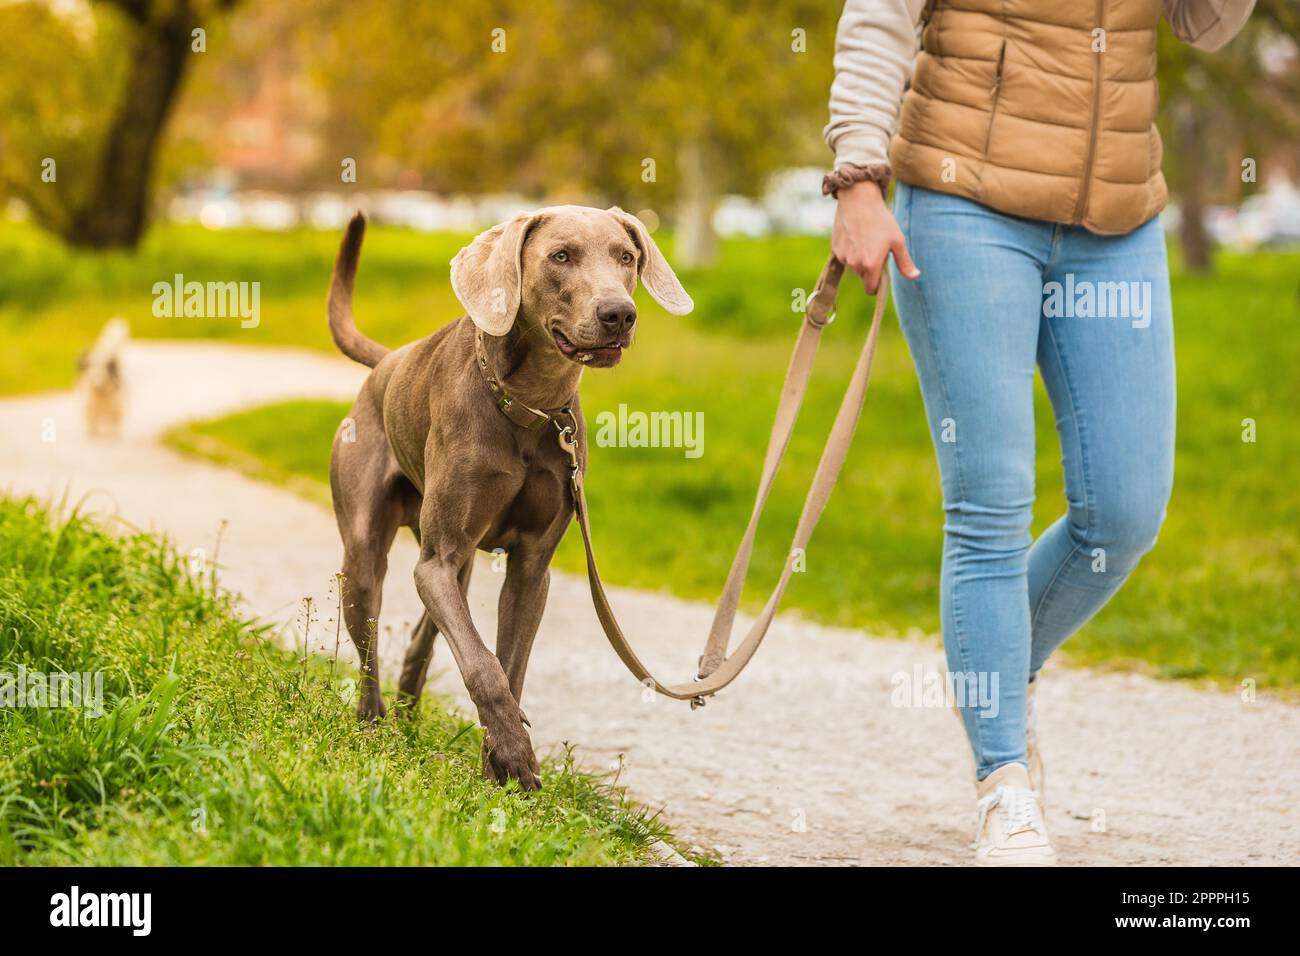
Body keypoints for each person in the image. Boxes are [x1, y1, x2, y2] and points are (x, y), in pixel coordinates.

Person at [824, 0, 1255, 865]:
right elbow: (878, 15)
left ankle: (996, 665)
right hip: (964, 203)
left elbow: (1205, 25)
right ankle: (1004, 786)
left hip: (1117, 220)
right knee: (990, 502)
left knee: (1126, 512)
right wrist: (859, 179)